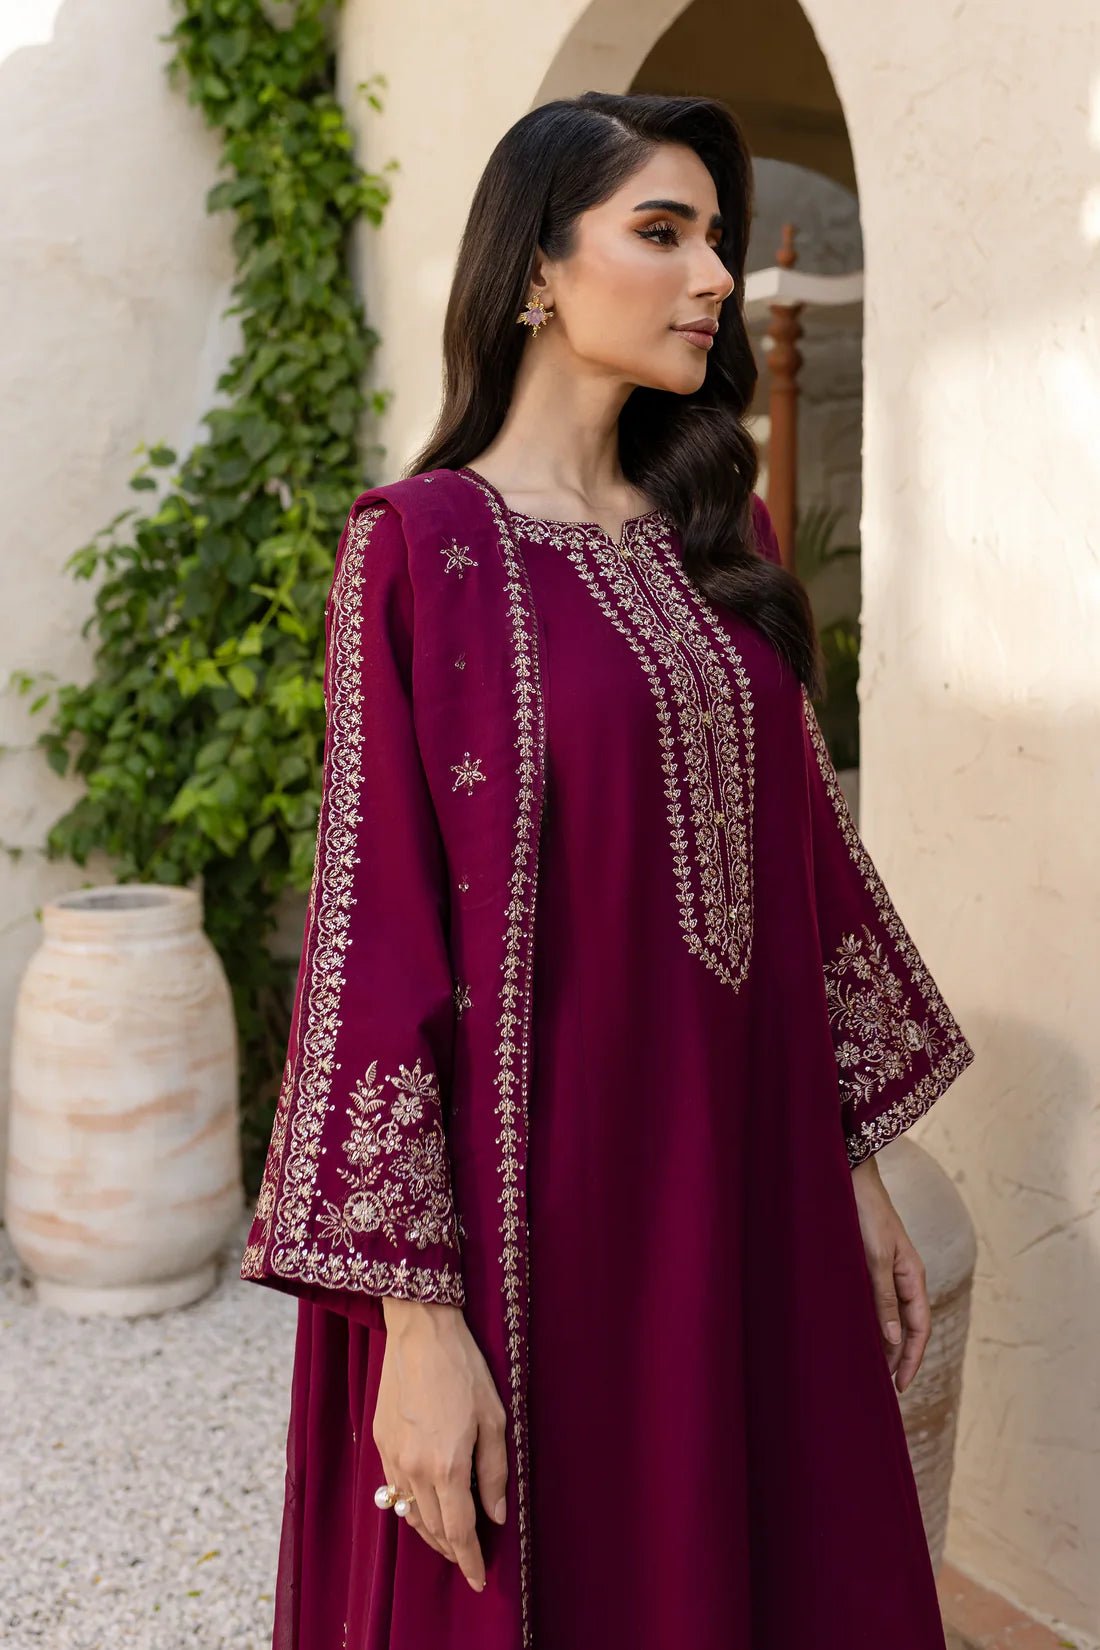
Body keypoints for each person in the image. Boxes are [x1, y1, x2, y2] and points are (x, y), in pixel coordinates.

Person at [240, 90, 976, 1650]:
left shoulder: (725, 535)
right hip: (544, 1224)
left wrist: (850, 1168)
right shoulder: (423, 548)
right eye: (662, 232)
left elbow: (803, 871)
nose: (713, 275)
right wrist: (416, 1327)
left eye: (715, 236)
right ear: (534, 269)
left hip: (751, 1185)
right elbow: (375, 937)